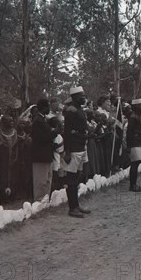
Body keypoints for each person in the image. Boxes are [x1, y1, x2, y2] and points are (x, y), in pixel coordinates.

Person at [62, 86, 92, 218]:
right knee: (71, 179)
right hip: (73, 148)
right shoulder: (70, 111)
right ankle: (72, 208)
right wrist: (67, 151)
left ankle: (76, 205)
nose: (84, 98)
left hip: (81, 146)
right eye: (81, 96)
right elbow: (67, 132)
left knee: (77, 177)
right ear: (74, 97)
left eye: (84, 95)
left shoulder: (79, 109)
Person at [31, 98, 55, 202]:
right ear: (43, 108)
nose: (49, 109)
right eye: (47, 106)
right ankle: (39, 201)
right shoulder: (37, 121)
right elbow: (41, 138)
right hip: (40, 156)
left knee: (47, 180)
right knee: (40, 181)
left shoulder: (43, 119)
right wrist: (55, 132)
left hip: (46, 154)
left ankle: (45, 200)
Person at [127, 99, 141, 192]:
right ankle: (132, 185)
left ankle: (134, 184)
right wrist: (129, 146)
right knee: (134, 163)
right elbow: (129, 132)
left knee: (137, 163)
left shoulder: (138, 117)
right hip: (134, 142)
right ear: (136, 107)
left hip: (138, 141)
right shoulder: (133, 117)